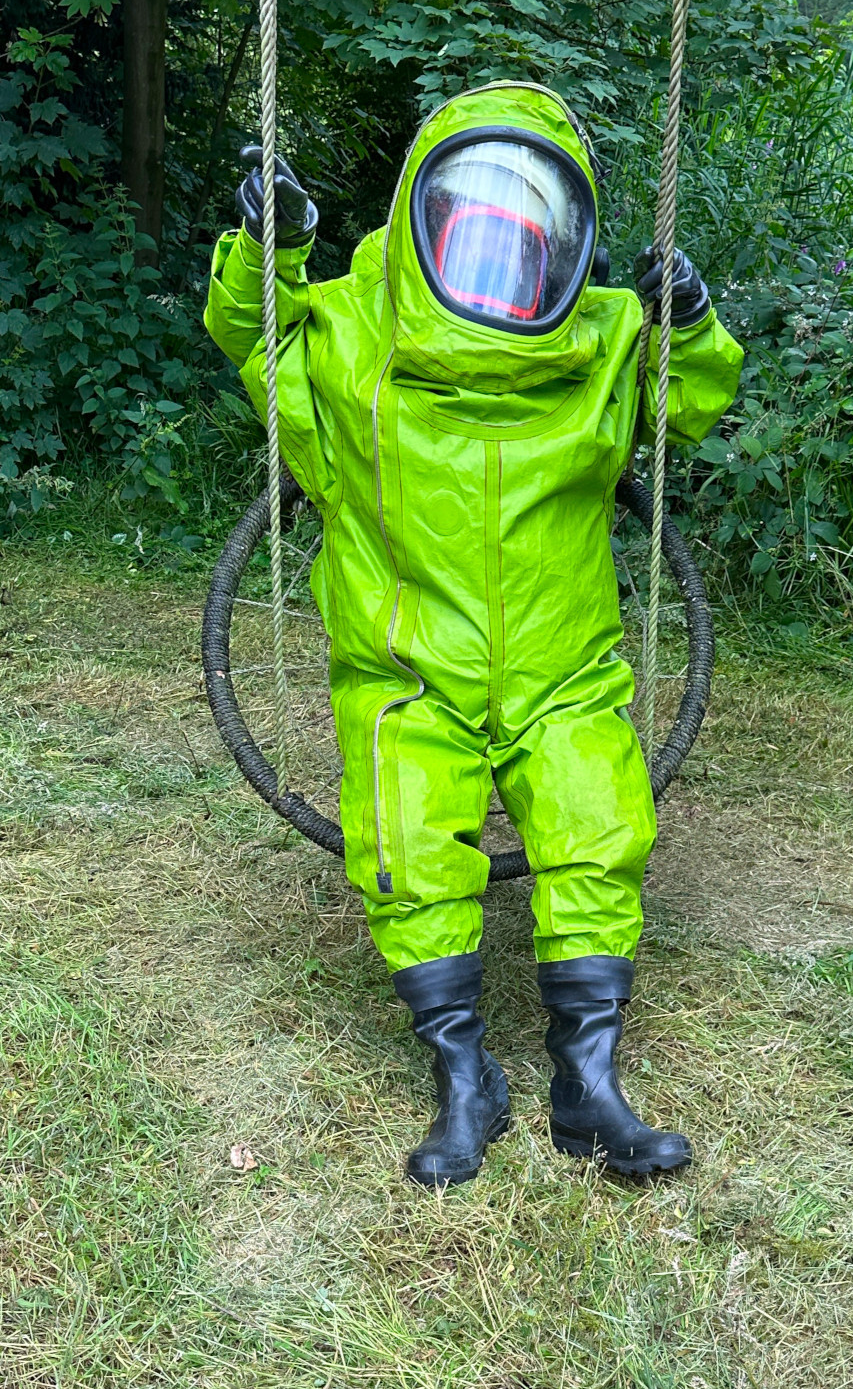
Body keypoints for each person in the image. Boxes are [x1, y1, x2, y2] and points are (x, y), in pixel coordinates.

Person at [205, 81, 743, 1188]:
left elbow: (686, 401)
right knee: (408, 848)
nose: (501, 274)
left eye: (526, 246)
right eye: (474, 237)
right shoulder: (354, 338)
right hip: (410, 675)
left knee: (596, 829)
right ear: (420, 223)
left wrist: (685, 320)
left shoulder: (602, 344)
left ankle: (586, 1088)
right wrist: (274, 247)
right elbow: (251, 328)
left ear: (568, 244)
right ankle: (465, 1080)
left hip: (563, 669)